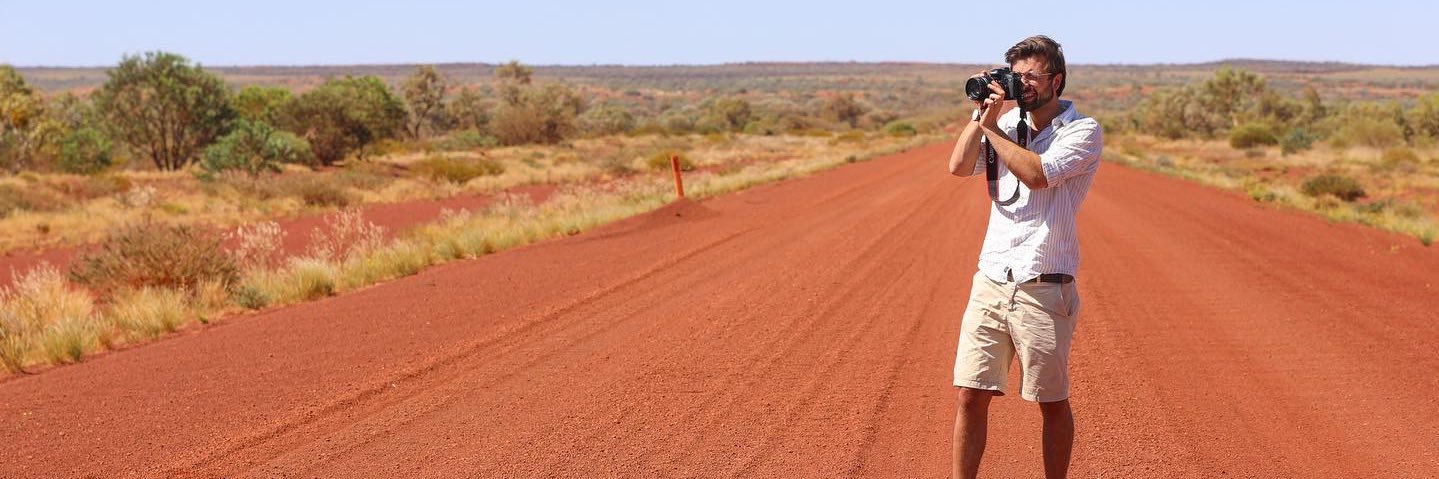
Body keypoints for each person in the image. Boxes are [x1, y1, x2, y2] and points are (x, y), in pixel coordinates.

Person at [945, 35, 1103, 479]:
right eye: (1017, 75)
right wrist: (982, 118)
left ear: (1056, 79)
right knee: (969, 395)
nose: (1023, 83)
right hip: (992, 277)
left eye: (1032, 75)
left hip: (1044, 283)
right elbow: (958, 166)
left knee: (1050, 402)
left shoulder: (1082, 131)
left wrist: (994, 130)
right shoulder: (1006, 122)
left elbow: (1038, 175)